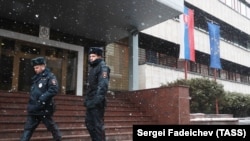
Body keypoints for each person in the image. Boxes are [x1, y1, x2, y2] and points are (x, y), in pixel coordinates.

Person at [20, 57, 62, 141]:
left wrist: (42, 99)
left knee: (52, 128)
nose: (35, 70)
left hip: (44, 108)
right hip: (34, 108)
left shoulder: (50, 76)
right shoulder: (36, 78)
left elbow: (53, 90)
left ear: (43, 66)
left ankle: (58, 139)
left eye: (37, 67)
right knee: (28, 129)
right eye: (34, 68)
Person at [84, 47, 111, 141]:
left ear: (99, 56)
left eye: (93, 56)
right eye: (90, 56)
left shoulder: (103, 67)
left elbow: (103, 86)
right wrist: (87, 99)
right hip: (91, 101)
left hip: (97, 103)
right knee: (88, 123)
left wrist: (96, 100)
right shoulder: (92, 67)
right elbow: (91, 87)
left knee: (97, 126)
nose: (91, 58)